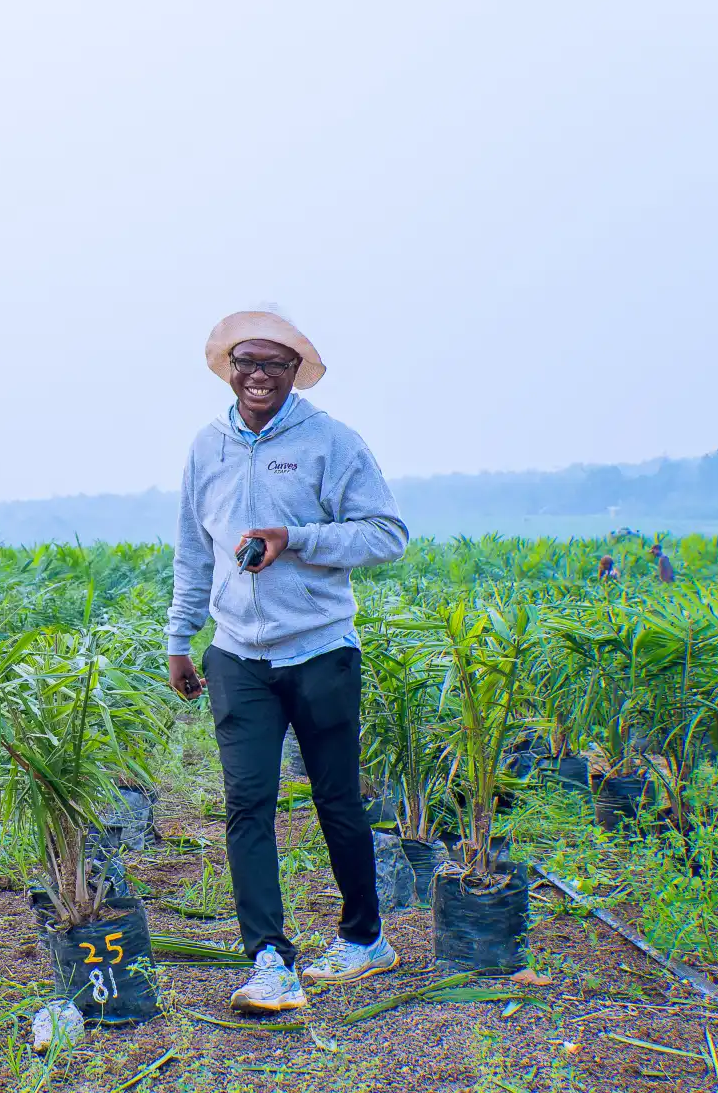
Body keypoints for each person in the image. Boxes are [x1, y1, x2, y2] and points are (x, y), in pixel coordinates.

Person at [166, 310, 409, 1015]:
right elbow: (192, 550)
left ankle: (365, 938)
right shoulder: (205, 449)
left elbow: (386, 534)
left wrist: (294, 538)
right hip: (237, 653)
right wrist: (181, 638)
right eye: (247, 361)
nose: (259, 374)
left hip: (321, 648)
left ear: (296, 370)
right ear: (227, 367)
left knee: (336, 798)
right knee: (247, 802)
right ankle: (270, 959)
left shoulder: (330, 441)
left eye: (276, 363)